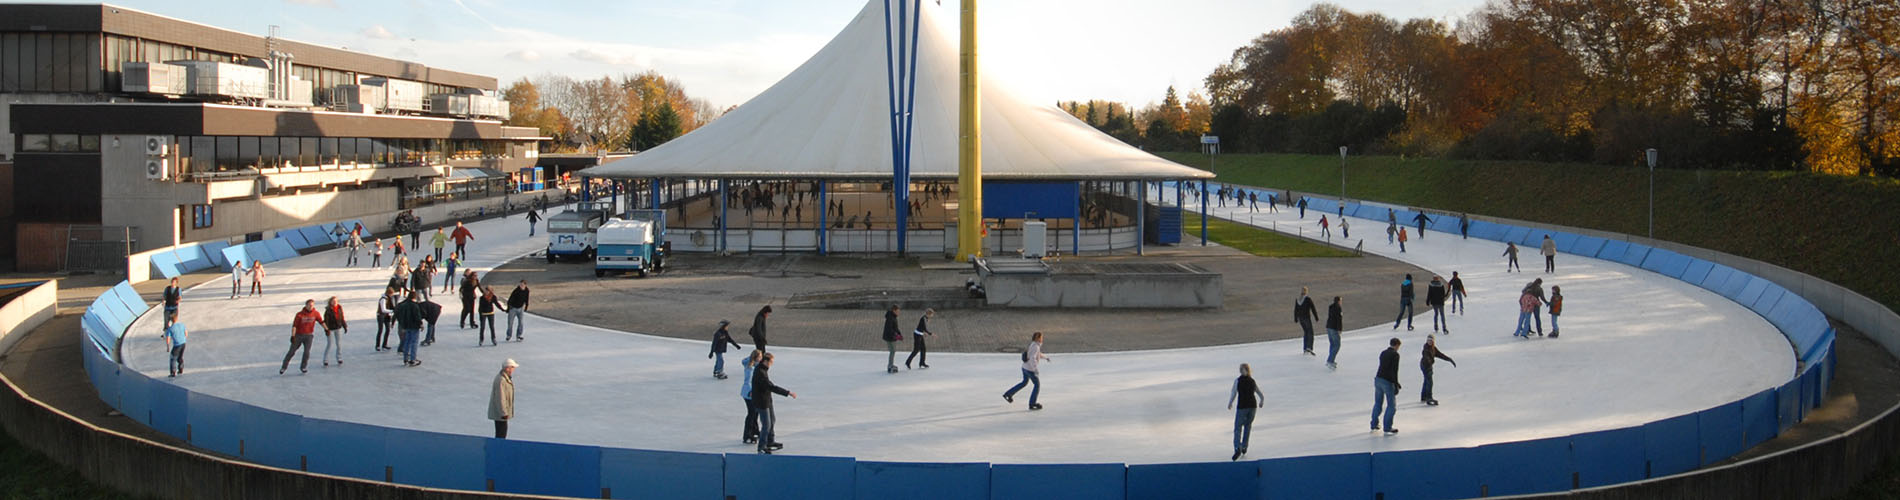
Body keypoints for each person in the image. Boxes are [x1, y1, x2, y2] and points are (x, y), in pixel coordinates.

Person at [751, 352, 796, 454]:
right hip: (761, 402)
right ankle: (762, 446)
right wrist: (787, 393)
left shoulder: (763, 369)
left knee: (772, 420)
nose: (772, 364)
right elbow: (771, 387)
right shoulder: (760, 372)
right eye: (771, 362)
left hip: (767, 400)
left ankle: (770, 441)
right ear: (766, 361)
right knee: (766, 425)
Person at [1003, 332, 1050, 411]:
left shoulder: (1033, 345)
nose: (1042, 339)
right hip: (1030, 369)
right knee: (1037, 385)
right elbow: (1032, 358)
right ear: (1038, 338)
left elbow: (1037, 354)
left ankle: (1008, 394)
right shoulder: (1036, 347)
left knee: (1024, 382)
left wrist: (1046, 357)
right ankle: (1032, 403)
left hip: (1024, 368)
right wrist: (1035, 370)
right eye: (1041, 337)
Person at [1228, 363, 1265, 461]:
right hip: (1252, 406)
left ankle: (1238, 447)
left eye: (1242, 369)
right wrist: (1261, 400)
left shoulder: (1238, 381)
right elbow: (1259, 393)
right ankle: (1244, 447)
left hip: (1243, 407)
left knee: (1238, 427)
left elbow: (1234, 392)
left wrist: (1230, 402)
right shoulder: (1252, 381)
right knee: (1247, 426)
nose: (1241, 371)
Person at [282, 299, 324, 375]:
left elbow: (321, 321)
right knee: (291, 352)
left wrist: (326, 329)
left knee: (306, 352)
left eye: (312, 305)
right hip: (298, 335)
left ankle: (303, 367)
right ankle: (284, 367)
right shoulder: (299, 314)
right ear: (306, 305)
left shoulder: (315, 313)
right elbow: (294, 326)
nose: (311, 307)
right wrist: (293, 336)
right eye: (309, 305)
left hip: (309, 336)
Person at [739, 350, 770, 446]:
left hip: (752, 393)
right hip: (749, 394)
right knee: (752, 413)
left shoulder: (754, 365)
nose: (761, 358)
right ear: (756, 357)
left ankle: (755, 431)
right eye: (760, 357)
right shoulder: (751, 368)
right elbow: (748, 381)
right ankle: (747, 435)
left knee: (755, 412)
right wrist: (751, 392)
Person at [1372, 337, 1402, 435]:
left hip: (1378, 379)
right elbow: (1394, 371)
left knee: (1378, 403)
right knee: (1391, 406)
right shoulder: (1395, 355)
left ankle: (1374, 424)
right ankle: (1387, 427)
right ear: (1397, 345)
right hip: (1387, 382)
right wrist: (1396, 384)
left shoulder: (1383, 353)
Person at [1419, 335, 1456, 406]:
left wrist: (1449, 359)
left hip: (1428, 366)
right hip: (1425, 366)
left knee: (1426, 381)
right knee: (1429, 382)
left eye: (1431, 340)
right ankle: (1429, 397)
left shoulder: (1433, 348)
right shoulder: (1426, 349)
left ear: (1433, 341)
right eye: (1428, 340)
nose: (1429, 342)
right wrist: (1429, 363)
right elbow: (1426, 357)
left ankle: (1423, 396)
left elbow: (1440, 355)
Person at [394, 291, 424, 366]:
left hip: (406, 326)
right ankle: (413, 359)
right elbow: (417, 317)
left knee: (407, 342)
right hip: (414, 326)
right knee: (414, 342)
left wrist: (403, 325)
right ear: (415, 297)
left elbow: (400, 315)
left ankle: (405, 358)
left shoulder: (403, 305)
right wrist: (421, 324)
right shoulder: (415, 306)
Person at [489, 359, 516, 438]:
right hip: (500, 414)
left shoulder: (505, 378)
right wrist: (503, 413)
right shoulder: (501, 380)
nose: (513, 369)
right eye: (512, 367)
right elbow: (500, 397)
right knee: (501, 433)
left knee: (501, 432)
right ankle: (498, 445)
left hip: (501, 413)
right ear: (507, 368)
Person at [321, 296, 347, 367]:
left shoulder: (339, 308)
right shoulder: (328, 310)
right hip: (330, 329)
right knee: (330, 344)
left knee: (339, 344)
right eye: (333, 301)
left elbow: (342, 317)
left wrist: (344, 326)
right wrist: (326, 330)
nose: (335, 302)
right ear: (330, 302)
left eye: (336, 301)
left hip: (338, 328)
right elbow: (326, 321)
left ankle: (339, 358)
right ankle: (325, 359)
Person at [1294, 287, 1318, 355]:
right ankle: (1309, 348)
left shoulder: (1298, 299)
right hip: (1306, 318)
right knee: (1310, 332)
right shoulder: (1308, 299)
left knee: (1306, 332)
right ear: (1306, 291)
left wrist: (1296, 318)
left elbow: (1296, 309)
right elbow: (1313, 308)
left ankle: (1305, 348)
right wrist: (1316, 317)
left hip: (1300, 318)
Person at [881, 305, 903, 374]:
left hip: (892, 336)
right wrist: (896, 335)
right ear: (894, 310)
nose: (898, 313)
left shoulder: (893, 317)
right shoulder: (890, 318)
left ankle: (891, 364)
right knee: (892, 351)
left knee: (893, 351)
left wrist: (899, 334)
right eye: (897, 311)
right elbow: (890, 329)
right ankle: (890, 365)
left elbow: (896, 327)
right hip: (889, 337)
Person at [1325, 297, 1344, 370]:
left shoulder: (1331, 307)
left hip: (1329, 327)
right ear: (1338, 301)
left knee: (1332, 344)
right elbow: (1339, 319)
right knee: (1337, 345)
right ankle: (1330, 360)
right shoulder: (1338, 308)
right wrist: (1339, 329)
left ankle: (1331, 359)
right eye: (1341, 301)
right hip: (1334, 328)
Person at [376, 287, 397, 351]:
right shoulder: (383, 299)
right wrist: (392, 311)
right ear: (388, 293)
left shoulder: (389, 298)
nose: (392, 295)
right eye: (391, 294)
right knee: (380, 330)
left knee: (388, 329)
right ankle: (377, 345)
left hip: (386, 315)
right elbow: (383, 310)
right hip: (381, 315)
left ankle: (384, 344)